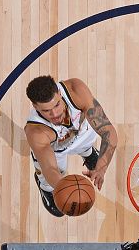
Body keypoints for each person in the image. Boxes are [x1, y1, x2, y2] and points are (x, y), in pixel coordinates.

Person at [24, 75, 118, 217]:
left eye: (56, 105)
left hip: (81, 134)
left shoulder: (76, 90)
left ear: (60, 94)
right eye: (46, 111)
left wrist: (101, 169)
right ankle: (45, 188)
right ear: (35, 107)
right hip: (57, 150)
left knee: (87, 140)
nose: (55, 114)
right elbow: (50, 169)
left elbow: (109, 133)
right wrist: (66, 188)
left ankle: (88, 152)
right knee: (51, 181)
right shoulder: (36, 131)